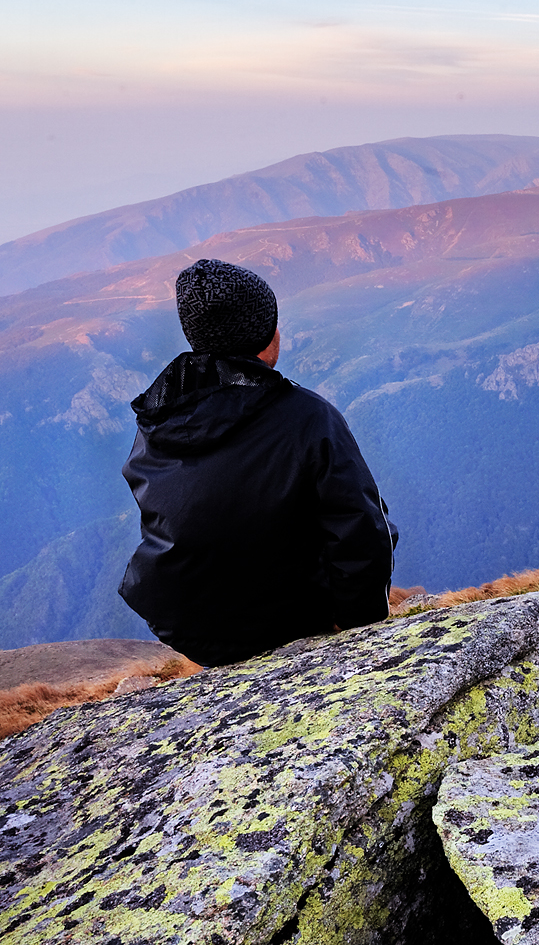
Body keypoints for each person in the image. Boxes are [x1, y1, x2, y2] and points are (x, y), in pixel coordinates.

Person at [119, 258, 397, 667]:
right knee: (376, 520)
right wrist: (360, 633)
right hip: (290, 622)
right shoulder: (307, 418)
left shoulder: (160, 418)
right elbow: (362, 534)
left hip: (193, 629)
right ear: (266, 336)